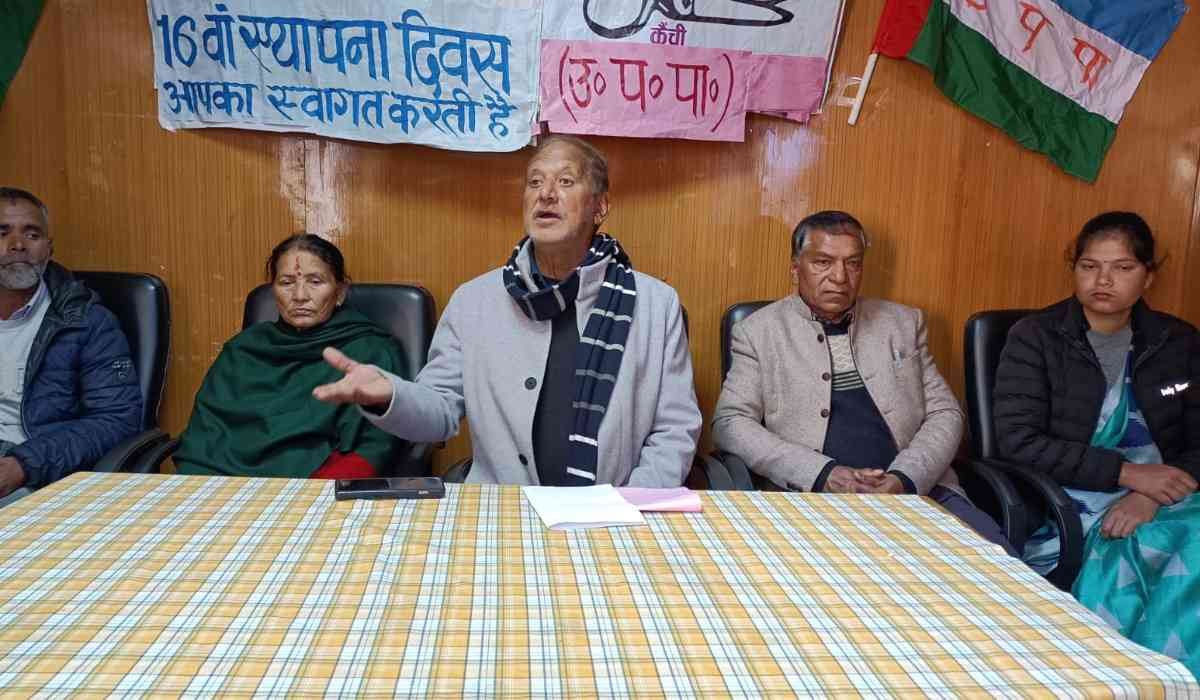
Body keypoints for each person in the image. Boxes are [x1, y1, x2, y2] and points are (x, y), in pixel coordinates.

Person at [313, 135, 701, 486]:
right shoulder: (474, 301)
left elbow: (674, 429)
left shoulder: (655, 304)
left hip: (616, 511)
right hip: (503, 513)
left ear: (600, 206)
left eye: (566, 181)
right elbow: (440, 410)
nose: (546, 194)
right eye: (535, 182)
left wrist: (631, 504)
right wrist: (389, 395)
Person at [712, 210, 1014, 553]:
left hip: (919, 493)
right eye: (823, 262)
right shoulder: (758, 331)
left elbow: (946, 413)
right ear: (796, 268)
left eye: (852, 263)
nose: (840, 277)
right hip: (811, 499)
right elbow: (731, 423)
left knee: (999, 568)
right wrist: (822, 473)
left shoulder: (902, 323)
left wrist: (904, 478)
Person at [994, 212, 1199, 673]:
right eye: (1089, 266)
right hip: (1071, 498)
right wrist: (1127, 474)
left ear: (1148, 276)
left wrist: (1149, 493)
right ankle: (1135, 673)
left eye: (1122, 268)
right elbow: (1019, 441)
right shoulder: (1036, 338)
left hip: (1166, 491)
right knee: (1170, 543)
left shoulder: (1178, 341)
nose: (1103, 280)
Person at [173, 234, 406, 479]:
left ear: (340, 291)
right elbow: (203, 438)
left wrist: (309, 493)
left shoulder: (370, 350)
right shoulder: (242, 350)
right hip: (223, 485)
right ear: (273, 290)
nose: (300, 295)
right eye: (286, 283)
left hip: (313, 489)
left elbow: (374, 447)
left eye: (315, 282)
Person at [0, 187, 142, 507]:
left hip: (37, 471)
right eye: (3, 233)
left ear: (49, 249)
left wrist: (23, 465)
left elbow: (116, 419)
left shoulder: (88, 322)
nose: (18, 245)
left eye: (32, 234)